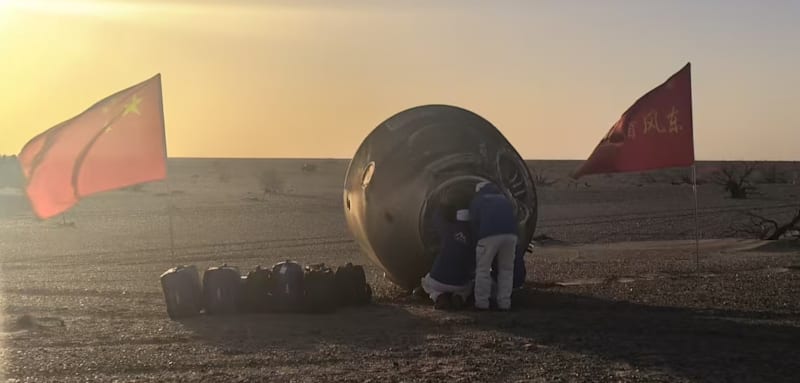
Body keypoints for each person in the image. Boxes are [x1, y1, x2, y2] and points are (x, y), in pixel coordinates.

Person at [469, 181, 518, 311]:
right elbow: (514, 214)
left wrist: (474, 241)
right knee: (506, 270)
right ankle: (504, 303)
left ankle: (482, 303)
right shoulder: (504, 199)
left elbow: (473, 222)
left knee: (483, 269)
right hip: (511, 235)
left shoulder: (478, 199)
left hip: (489, 236)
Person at [420, 205, 475, 310]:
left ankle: (439, 296)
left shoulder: (448, 229)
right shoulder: (474, 238)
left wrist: (440, 206)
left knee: (426, 282)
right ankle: (460, 297)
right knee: (469, 285)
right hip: (460, 284)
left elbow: (437, 219)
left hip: (438, 280)